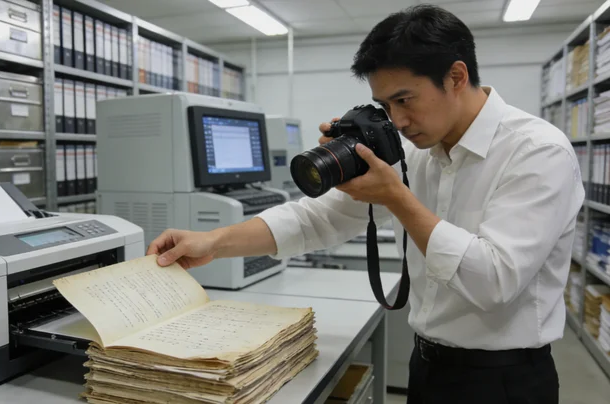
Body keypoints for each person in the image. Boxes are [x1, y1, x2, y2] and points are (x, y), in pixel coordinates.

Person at [146, 4, 583, 404]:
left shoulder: (537, 152)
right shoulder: (414, 148)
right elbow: (317, 218)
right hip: (428, 367)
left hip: (504, 383)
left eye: (405, 100)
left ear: (455, 76)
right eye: (385, 104)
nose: (397, 120)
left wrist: (396, 196)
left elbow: (495, 281)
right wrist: (212, 241)